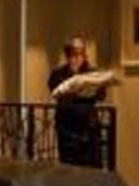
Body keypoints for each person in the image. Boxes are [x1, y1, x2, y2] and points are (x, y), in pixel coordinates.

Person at [47, 35, 115, 167]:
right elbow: (55, 93)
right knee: (70, 169)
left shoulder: (92, 72)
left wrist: (99, 86)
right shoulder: (57, 74)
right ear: (67, 55)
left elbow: (101, 96)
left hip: (89, 129)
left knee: (92, 168)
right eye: (74, 54)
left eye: (81, 53)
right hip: (68, 130)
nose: (78, 57)